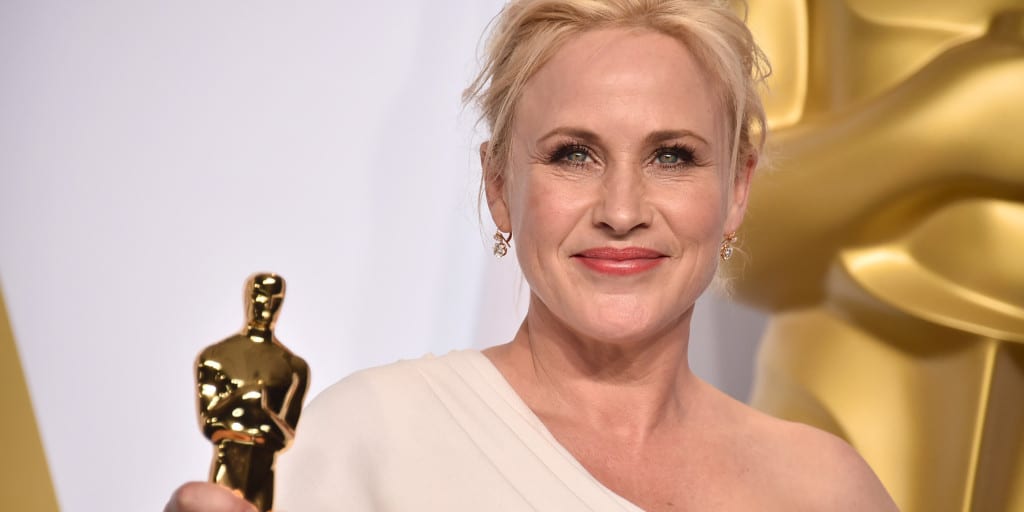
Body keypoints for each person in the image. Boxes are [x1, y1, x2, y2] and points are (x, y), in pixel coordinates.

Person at [167, 0, 899, 510]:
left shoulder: (825, 489)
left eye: (672, 155)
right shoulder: (368, 442)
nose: (621, 210)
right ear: (498, 185)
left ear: (736, 189)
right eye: (573, 154)